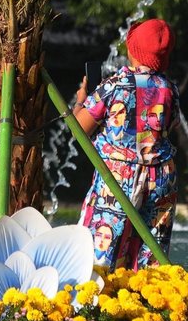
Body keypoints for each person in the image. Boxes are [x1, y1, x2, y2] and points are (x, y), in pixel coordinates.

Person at [73, 18, 180, 271]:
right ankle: (145, 304)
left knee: (102, 250)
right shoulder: (170, 89)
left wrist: (81, 101)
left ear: (132, 50)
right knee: (150, 254)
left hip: (119, 178)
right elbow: (169, 126)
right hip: (162, 176)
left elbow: (79, 131)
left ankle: (95, 304)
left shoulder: (113, 86)